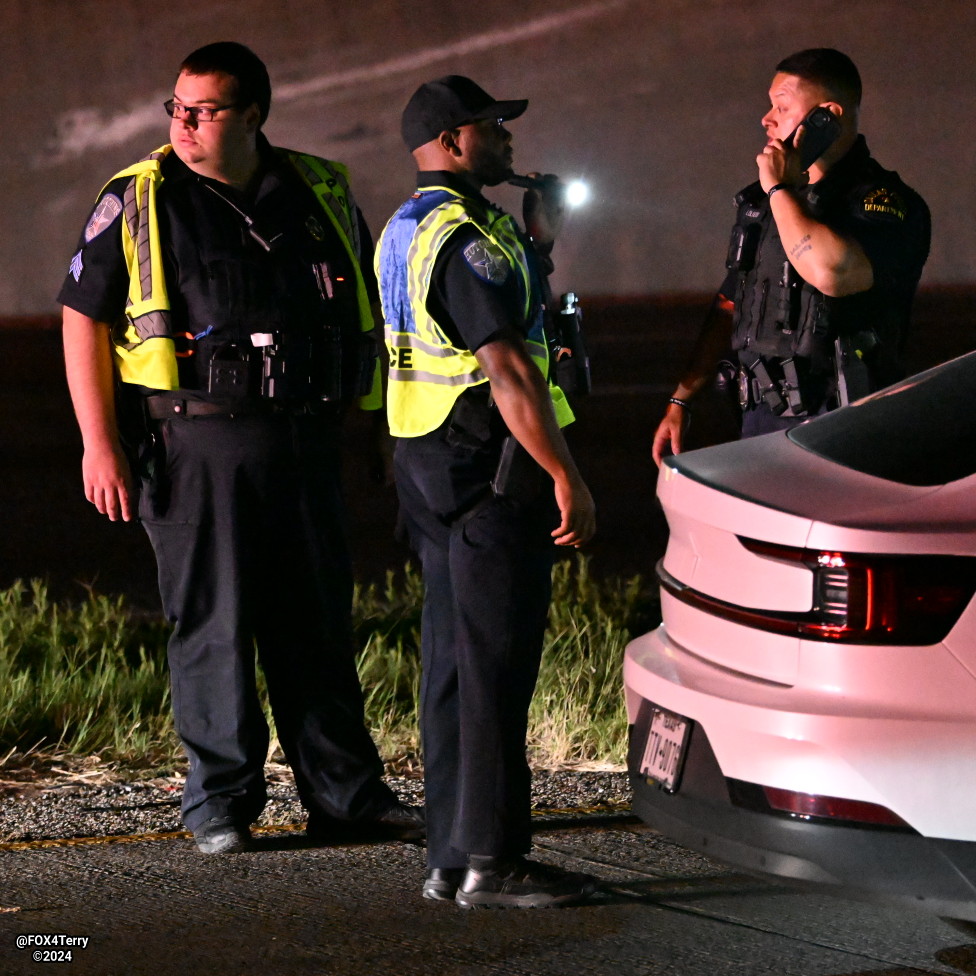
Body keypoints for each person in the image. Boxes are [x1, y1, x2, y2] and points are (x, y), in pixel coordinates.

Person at [58, 41, 423, 854]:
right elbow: (81, 314)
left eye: (206, 110)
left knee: (317, 624)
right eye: (177, 108)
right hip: (195, 444)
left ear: (253, 116)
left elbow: (365, 315)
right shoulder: (141, 197)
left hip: (306, 440)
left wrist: (376, 435)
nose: (184, 124)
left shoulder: (319, 191)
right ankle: (219, 805)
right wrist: (100, 443)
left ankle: (347, 798)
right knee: (214, 625)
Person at [374, 75, 598, 907]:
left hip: (427, 465)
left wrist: (537, 247)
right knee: (498, 668)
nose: (507, 141)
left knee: (451, 667)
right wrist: (564, 473)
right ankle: (495, 864)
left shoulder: (407, 227)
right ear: (454, 141)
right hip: (486, 472)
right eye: (493, 128)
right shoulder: (466, 236)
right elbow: (505, 367)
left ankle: (450, 857)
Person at [652, 47, 930, 463]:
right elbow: (730, 303)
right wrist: (681, 400)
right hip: (760, 427)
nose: (767, 118)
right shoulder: (767, 202)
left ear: (827, 116)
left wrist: (781, 190)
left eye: (782, 106)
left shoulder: (882, 203)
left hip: (846, 430)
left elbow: (832, 272)